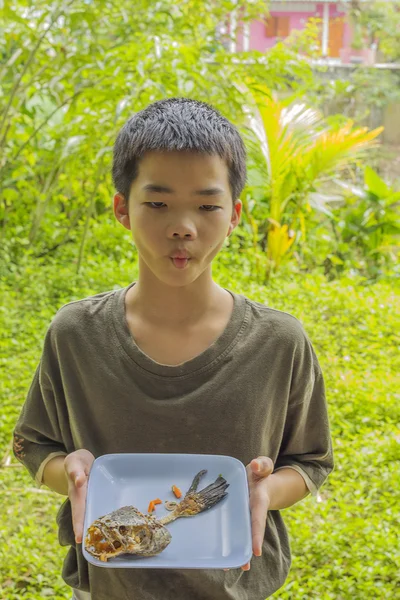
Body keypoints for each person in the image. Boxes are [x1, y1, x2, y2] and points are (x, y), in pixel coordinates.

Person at [13, 97, 334, 600]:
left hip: (235, 587)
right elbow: (34, 444)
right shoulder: (75, 334)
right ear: (122, 207)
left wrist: (264, 491)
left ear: (233, 216)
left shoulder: (278, 343)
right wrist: (70, 474)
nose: (183, 226)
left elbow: (310, 460)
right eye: (158, 203)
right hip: (110, 585)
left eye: (207, 205)